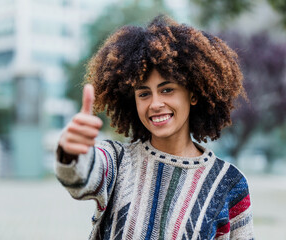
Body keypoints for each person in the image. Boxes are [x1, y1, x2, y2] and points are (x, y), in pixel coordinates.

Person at [55, 15, 254, 240]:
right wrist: (72, 152)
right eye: (144, 93)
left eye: (167, 89)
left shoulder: (229, 183)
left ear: (194, 94)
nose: (155, 104)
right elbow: (81, 178)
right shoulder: (117, 161)